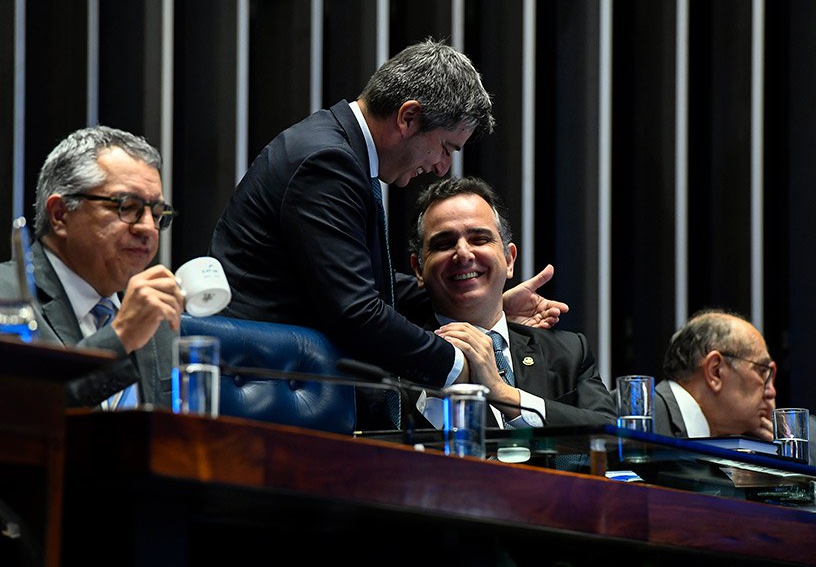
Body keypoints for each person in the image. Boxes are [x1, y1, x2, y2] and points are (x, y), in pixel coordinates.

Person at [209, 38, 568, 430]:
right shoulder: (327, 162)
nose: (442, 168)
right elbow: (356, 311)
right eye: (446, 147)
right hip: (266, 398)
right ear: (408, 118)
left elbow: (353, 282)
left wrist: (483, 298)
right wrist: (460, 364)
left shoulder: (337, 148)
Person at [406, 176, 615, 429]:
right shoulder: (397, 358)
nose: (463, 253)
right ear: (418, 269)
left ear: (509, 259)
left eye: (479, 239)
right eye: (443, 244)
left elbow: (612, 438)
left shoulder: (567, 352)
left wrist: (503, 394)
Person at [0, 125, 184, 408]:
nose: (148, 228)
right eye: (127, 206)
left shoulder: (155, 315)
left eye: (157, 213)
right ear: (61, 215)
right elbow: (24, 414)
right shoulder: (7, 298)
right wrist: (120, 337)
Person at [656, 308, 816, 474]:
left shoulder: (815, 442)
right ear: (715, 371)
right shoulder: (640, 423)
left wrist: (793, 471)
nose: (771, 392)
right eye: (762, 372)